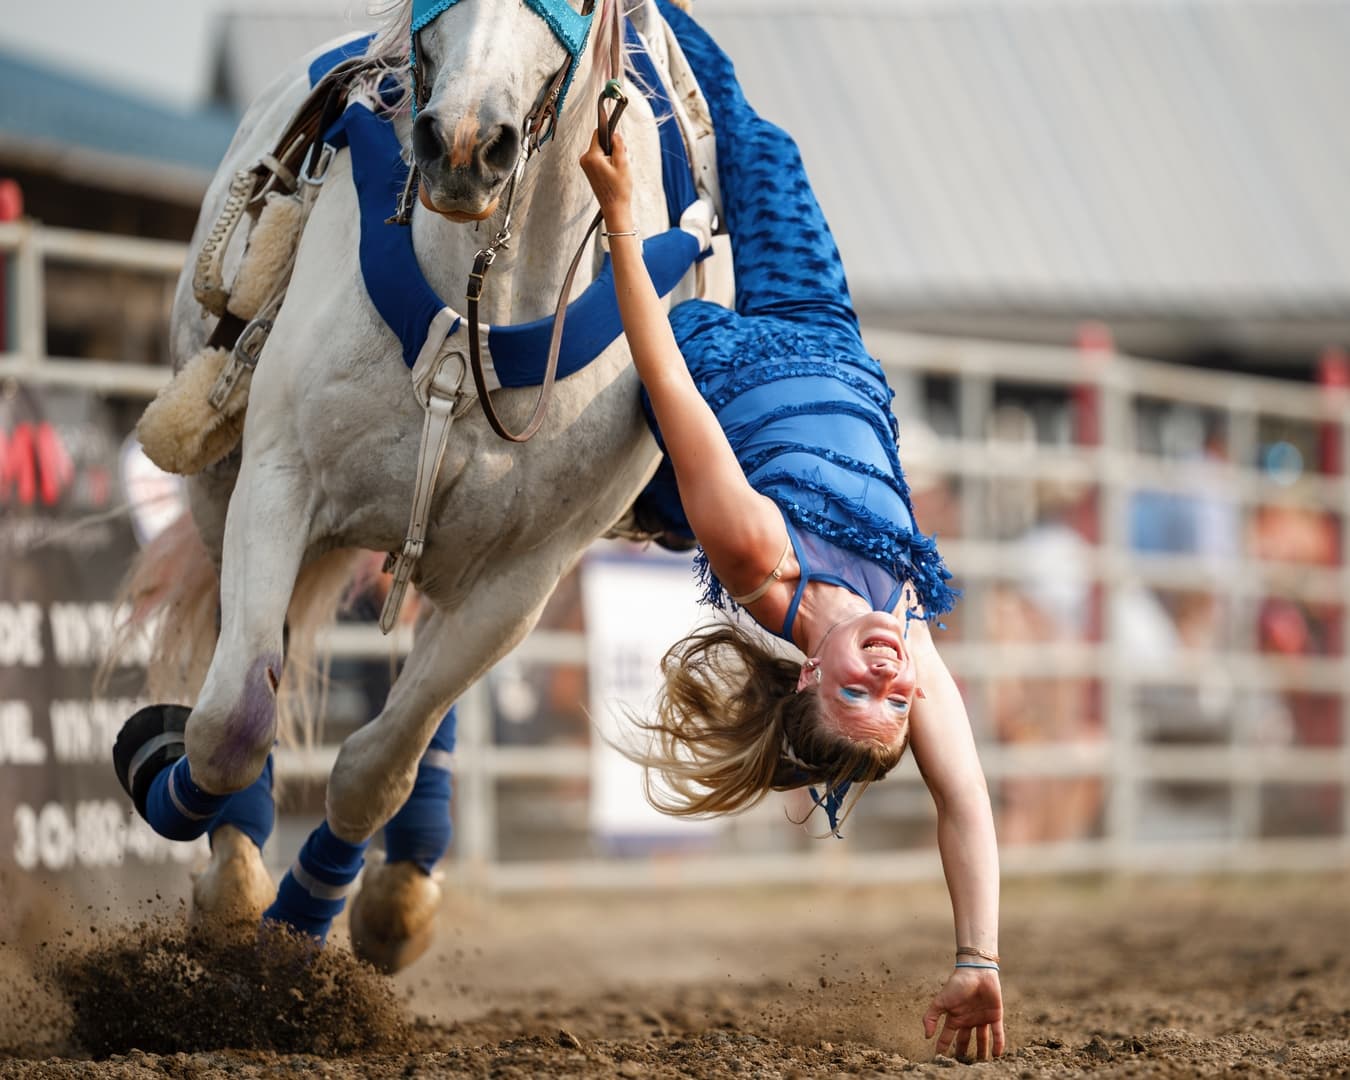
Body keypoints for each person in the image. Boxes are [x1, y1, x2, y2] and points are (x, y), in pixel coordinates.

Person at [579, 4, 1004, 1062]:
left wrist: (626, 223)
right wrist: (978, 961)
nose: (892, 675)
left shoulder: (759, 559)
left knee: (573, 306)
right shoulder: (907, 623)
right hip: (818, 324)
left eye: (860, 691)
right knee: (764, 143)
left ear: (807, 677)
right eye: (896, 697)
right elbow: (966, 803)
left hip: (710, 356)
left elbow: (669, 380)